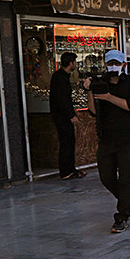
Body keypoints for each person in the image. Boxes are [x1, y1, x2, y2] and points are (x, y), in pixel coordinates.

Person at [83, 50, 130, 233]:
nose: (113, 66)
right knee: (106, 176)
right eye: (110, 63)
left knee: (126, 177)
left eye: (117, 63)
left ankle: (122, 216)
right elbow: (93, 111)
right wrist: (89, 91)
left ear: (124, 64)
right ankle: (129, 199)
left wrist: (109, 97)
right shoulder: (101, 83)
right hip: (107, 138)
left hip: (129, 138)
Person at [50, 51, 86, 180]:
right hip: (62, 116)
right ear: (71, 63)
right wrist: (71, 115)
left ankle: (71, 169)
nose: (76, 64)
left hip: (63, 114)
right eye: (75, 62)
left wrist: (73, 110)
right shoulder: (60, 77)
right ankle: (66, 171)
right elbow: (61, 100)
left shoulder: (62, 76)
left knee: (70, 141)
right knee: (66, 142)